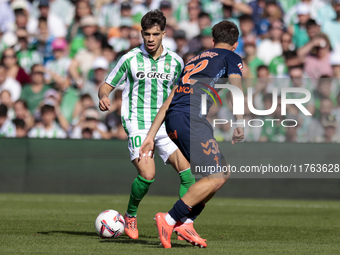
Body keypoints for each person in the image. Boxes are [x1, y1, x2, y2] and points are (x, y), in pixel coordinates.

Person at [139, 20, 244, 248]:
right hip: (192, 118)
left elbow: (170, 100)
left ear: (213, 41)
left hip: (175, 119)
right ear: (235, 45)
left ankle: (186, 223)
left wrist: (150, 135)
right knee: (217, 175)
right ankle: (169, 219)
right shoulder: (232, 57)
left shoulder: (193, 60)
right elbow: (236, 89)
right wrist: (240, 121)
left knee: (219, 174)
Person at [98, 10, 196, 241]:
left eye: (155, 34)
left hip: (164, 124)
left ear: (163, 34)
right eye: (146, 34)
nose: (150, 39)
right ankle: (130, 215)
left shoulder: (175, 62)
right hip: (138, 123)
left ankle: (182, 223)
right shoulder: (130, 58)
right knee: (148, 174)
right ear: (141, 34)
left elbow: (178, 95)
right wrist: (103, 96)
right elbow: (107, 84)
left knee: (188, 174)